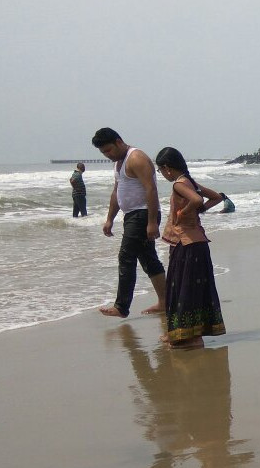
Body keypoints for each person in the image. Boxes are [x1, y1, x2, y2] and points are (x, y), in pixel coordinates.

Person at [92, 127, 166, 318]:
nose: (107, 155)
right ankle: (165, 301)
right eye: (103, 153)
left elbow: (151, 189)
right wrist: (109, 219)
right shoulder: (118, 163)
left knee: (126, 257)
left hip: (143, 214)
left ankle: (121, 307)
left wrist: (151, 222)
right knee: (148, 259)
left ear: (118, 141)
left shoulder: (136, 158)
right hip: (132, 215)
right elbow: (117, 192)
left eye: (108, 150)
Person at [156, 147, 226, 349]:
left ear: (167, 168)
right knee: (195, 289)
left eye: (161, 171)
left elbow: (195, 200)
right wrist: (198, 209)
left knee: (181, 288)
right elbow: (217, 197)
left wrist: (183, 212)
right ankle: (192, 335)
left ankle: (185, 337)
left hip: (185, 243)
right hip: (199, 243)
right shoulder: (191, 182)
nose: (162, 174)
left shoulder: (179, 184)